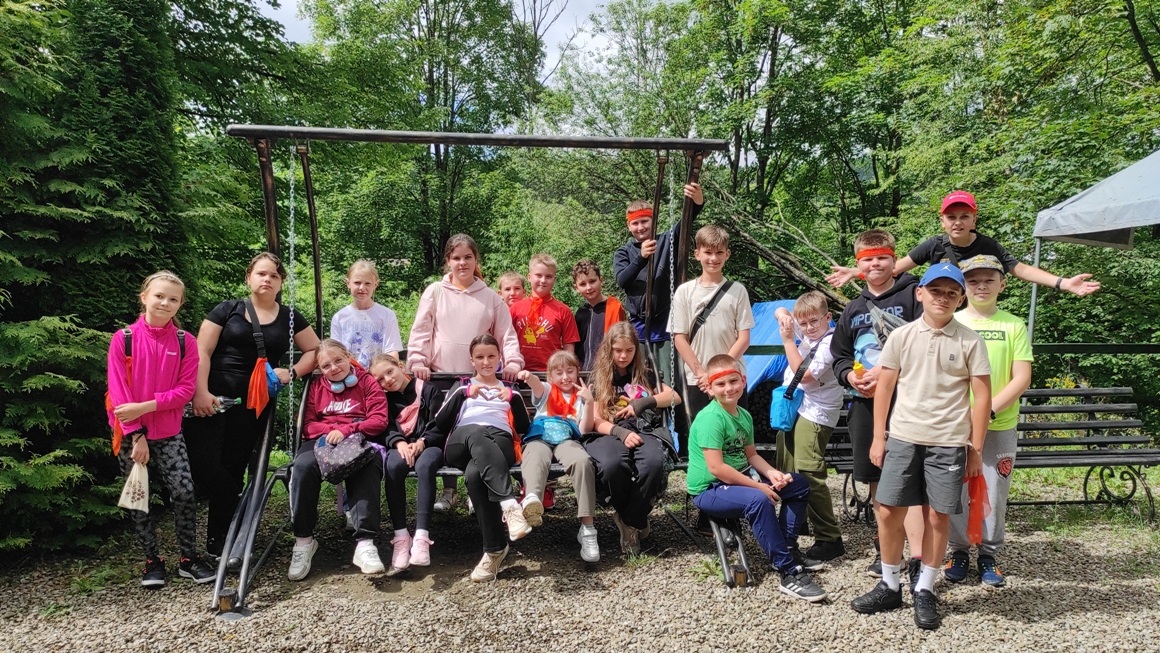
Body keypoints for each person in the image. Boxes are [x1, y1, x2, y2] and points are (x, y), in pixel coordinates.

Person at [850, 262, 992, 630]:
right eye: (935, 290)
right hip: (903, 436)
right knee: (887, 511)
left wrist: (975, 449)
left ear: (960, 299)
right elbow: (884, 387)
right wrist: (879, 436)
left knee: (938, 515)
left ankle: (925, 587)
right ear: (920, 293)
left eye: (951, 293)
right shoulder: (901, 336)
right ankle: (890, 583)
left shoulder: (971, 341)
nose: (942, 298)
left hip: (948, 441)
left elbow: (982, 397)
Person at [185, 252, 320, 561]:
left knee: (234, 466)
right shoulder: (227, 310)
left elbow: (316, 349)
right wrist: (200, 392)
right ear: (249, 278)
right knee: (204, 464)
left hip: (254, 403)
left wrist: (293, 372)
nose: (267, 279)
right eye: (261, 273)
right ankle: (229, 524)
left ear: (281, 282)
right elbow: (201, 351)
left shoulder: (290, 317)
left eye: (274, 275)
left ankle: (220, 542)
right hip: (212, 398)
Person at [686, 355, 828, 602]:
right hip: (710, 489)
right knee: (758, 500)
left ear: (743, 381)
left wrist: (772, 473)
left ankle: (787, 548)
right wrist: (758, 486)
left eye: (733, 381)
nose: (729, 388)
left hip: (740, 479)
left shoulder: (744, 415)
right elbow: (717, 468)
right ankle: (788, 571)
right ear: (709, 388)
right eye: (720, 384)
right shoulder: (711, 418)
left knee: (797, 485)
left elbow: (751, 455)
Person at [106, 271, 214, 588]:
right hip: (131, 434)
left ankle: (188, 558)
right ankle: (152, 561)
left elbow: (184, 391)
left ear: (180, 304)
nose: (165, 303)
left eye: (173, 299)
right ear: (144, 297)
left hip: (169, 432)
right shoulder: (124, 339)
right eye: (159, 296)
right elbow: (119, 393)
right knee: (138, 497)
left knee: (184, 492)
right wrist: (136, 433)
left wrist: (145, 407)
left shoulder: (185, 342)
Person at [829, 229, 926, 578]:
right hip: (865, 403)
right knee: (877, 477)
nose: (875, 264)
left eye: (882, 258)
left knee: (911, 477)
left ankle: (918, 557)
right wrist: (850, 377)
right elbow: (839, 354)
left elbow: (925, 341)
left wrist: (885, 371)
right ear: (858, 265)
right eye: (867, 260)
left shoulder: (914, 296)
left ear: (894, 260)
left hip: (907, 400)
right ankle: (887, 551)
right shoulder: (852, 309)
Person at [407, 234, 524, 513]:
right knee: (447, 431)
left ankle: (477, 488)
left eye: (468, 257)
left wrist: (512, 363)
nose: (462, 263)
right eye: (456, 258)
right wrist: (418, 359)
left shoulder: (490, 297)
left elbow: (506, 335)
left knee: (476, 428)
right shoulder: (435, 291)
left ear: (476, 260)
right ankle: (449, 491)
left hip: (478, 378)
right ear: (448, 261)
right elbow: (421, 329)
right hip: (442, 375)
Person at [945, 255, 1033, 588]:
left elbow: (1021, 377)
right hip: (954, 424)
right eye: (973, 281)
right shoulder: (951, 321)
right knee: (953, 488)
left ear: (1002, 284)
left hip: (999, 424)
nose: (981, 286)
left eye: (989, 280)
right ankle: (958, 551)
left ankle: (988, 554)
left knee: (994, 490)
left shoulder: (1014, 325)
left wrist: (989, 410)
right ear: (963, 287)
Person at [826, 191, 1100, 296]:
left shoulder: (988, 245)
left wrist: (1063, 283)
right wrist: (855, 272)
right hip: (941, 312)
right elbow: (894, 269)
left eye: (964, 216)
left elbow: (1021, 269)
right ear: (942, 221)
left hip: (975, 314)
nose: (957, 222)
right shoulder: (934, 245)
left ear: (973, 219)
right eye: (951, 217)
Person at [432, 334, 532, 582]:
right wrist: (463, 393)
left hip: (499, 439)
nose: (486, 362)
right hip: (461, 441)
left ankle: (495, 550)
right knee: (476, 431)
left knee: (475, 475)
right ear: (472, 360)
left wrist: (514, 399)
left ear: (499, 358)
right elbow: (440, 422)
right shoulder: (462, 385)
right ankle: (510, 505)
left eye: (491, 356)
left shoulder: (510, 388)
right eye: (480, 357)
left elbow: (523, 426)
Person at [288, 339, 389, 580]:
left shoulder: (366, 382)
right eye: (326, 366)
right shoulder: (316, 388)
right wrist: (331, 431)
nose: (333, 368)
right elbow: (307, 425)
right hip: (323, 440)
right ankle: (303, 540)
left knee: (367, 464)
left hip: (357, 437)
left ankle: (365, 543)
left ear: (347, 356)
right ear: (319, 369)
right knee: (303, 467)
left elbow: (379, 420)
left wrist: (347, 429)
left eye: (338, 360)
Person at [586, 321, 682, 555]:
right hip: (610, 432)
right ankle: (635, 517)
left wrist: (644, 402)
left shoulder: (645, 373)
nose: (623, 356)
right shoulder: (598, 377)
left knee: (653, 464)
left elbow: (675, 397)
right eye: (618, 350)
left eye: (629, 350)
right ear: (609, 349)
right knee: (612, 465)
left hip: (644, 429)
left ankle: (630, 520)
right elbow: (594, 420)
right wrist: (620, 432)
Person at [773, 291, 845, 562]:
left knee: (808, 472)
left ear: (828, 318)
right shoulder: (806, 334)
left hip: (816, 414)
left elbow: (806, 376)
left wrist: (788, 340)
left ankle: (829, 537)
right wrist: (785, 318)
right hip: (796, 410)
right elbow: (780, 310)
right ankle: (796, 524)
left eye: (814, 321)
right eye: (803, 323)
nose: (809, 327)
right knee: (788, 469)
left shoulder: (829, 342)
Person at [517, 351, 600, 562]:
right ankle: (532, 499)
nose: (565, 377)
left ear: (577, 372)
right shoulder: (546, 390)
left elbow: (584, 429)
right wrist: (529, 377)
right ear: (550, 376)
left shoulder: (580, 397)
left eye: (570, 371)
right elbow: (536, 385)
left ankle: (588, 529)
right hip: (540, 437)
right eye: (559, 372)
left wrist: (589, 402)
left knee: (582, 461)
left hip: (566, 439)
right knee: (535, 455)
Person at [669, 225, 754, 423]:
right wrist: (702, 373)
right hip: (697, 380)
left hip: (731, 379)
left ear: (727, 254)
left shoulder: (738, 291)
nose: (713, 258)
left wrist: (719, 373)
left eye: (719, 253)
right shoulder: (684, 292)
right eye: (708, 253)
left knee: (735, 431)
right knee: (701, 432)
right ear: (697, 254)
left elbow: (744, 338)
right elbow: (679, 338)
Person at [371, 353, 447, 571]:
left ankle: (422, 536)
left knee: (425, 465)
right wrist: (398, 442)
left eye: (390, 372)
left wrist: (423, 441)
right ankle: (401, 536)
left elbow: (440, 423)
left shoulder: (429, 390)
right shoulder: (383, 399)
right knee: (393, 466)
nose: (387, 380)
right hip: (401, 446)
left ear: (400, 366)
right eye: (380, 379)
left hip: (429, 444)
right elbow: (384, 426)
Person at [613, 183, 704, 362]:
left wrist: (697, 202)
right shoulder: (623, 252)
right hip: (638, 324)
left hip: (665, 321)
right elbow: (622, 280)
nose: (640, 227)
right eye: (635, 223)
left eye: (644, 221)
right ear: (629, 226)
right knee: (641, 371)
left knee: (667, 369)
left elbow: (686, 221)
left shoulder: (667, 241)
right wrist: (641, 257)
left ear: (653, 221)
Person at [509, 253, 580, 372]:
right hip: (519, 372)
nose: (543, 280)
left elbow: (569, 347)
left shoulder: (564, 311)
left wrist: (566, 371)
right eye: (538, 275)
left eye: (548, 276)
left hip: (551, 373)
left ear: (554, 279)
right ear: (529, 277)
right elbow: (507, 340)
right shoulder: (515, 309)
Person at [329, 259, 403, 367]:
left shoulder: (387, 315)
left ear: (375, 284)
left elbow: (391, 351)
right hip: (350, 374)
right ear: (348, 283)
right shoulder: (339, 317)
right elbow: (335, 353)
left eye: (367, 283)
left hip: (378, 374)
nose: (362, 288)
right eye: (357, 283)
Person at [572, 259, 627, 372]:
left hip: (607, 370)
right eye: (583, 284)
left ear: (601, 281)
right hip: (584, 371)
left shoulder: (615, 307)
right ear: (576, 288)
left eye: (592, 281)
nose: (589, 287)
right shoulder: (581, 313)